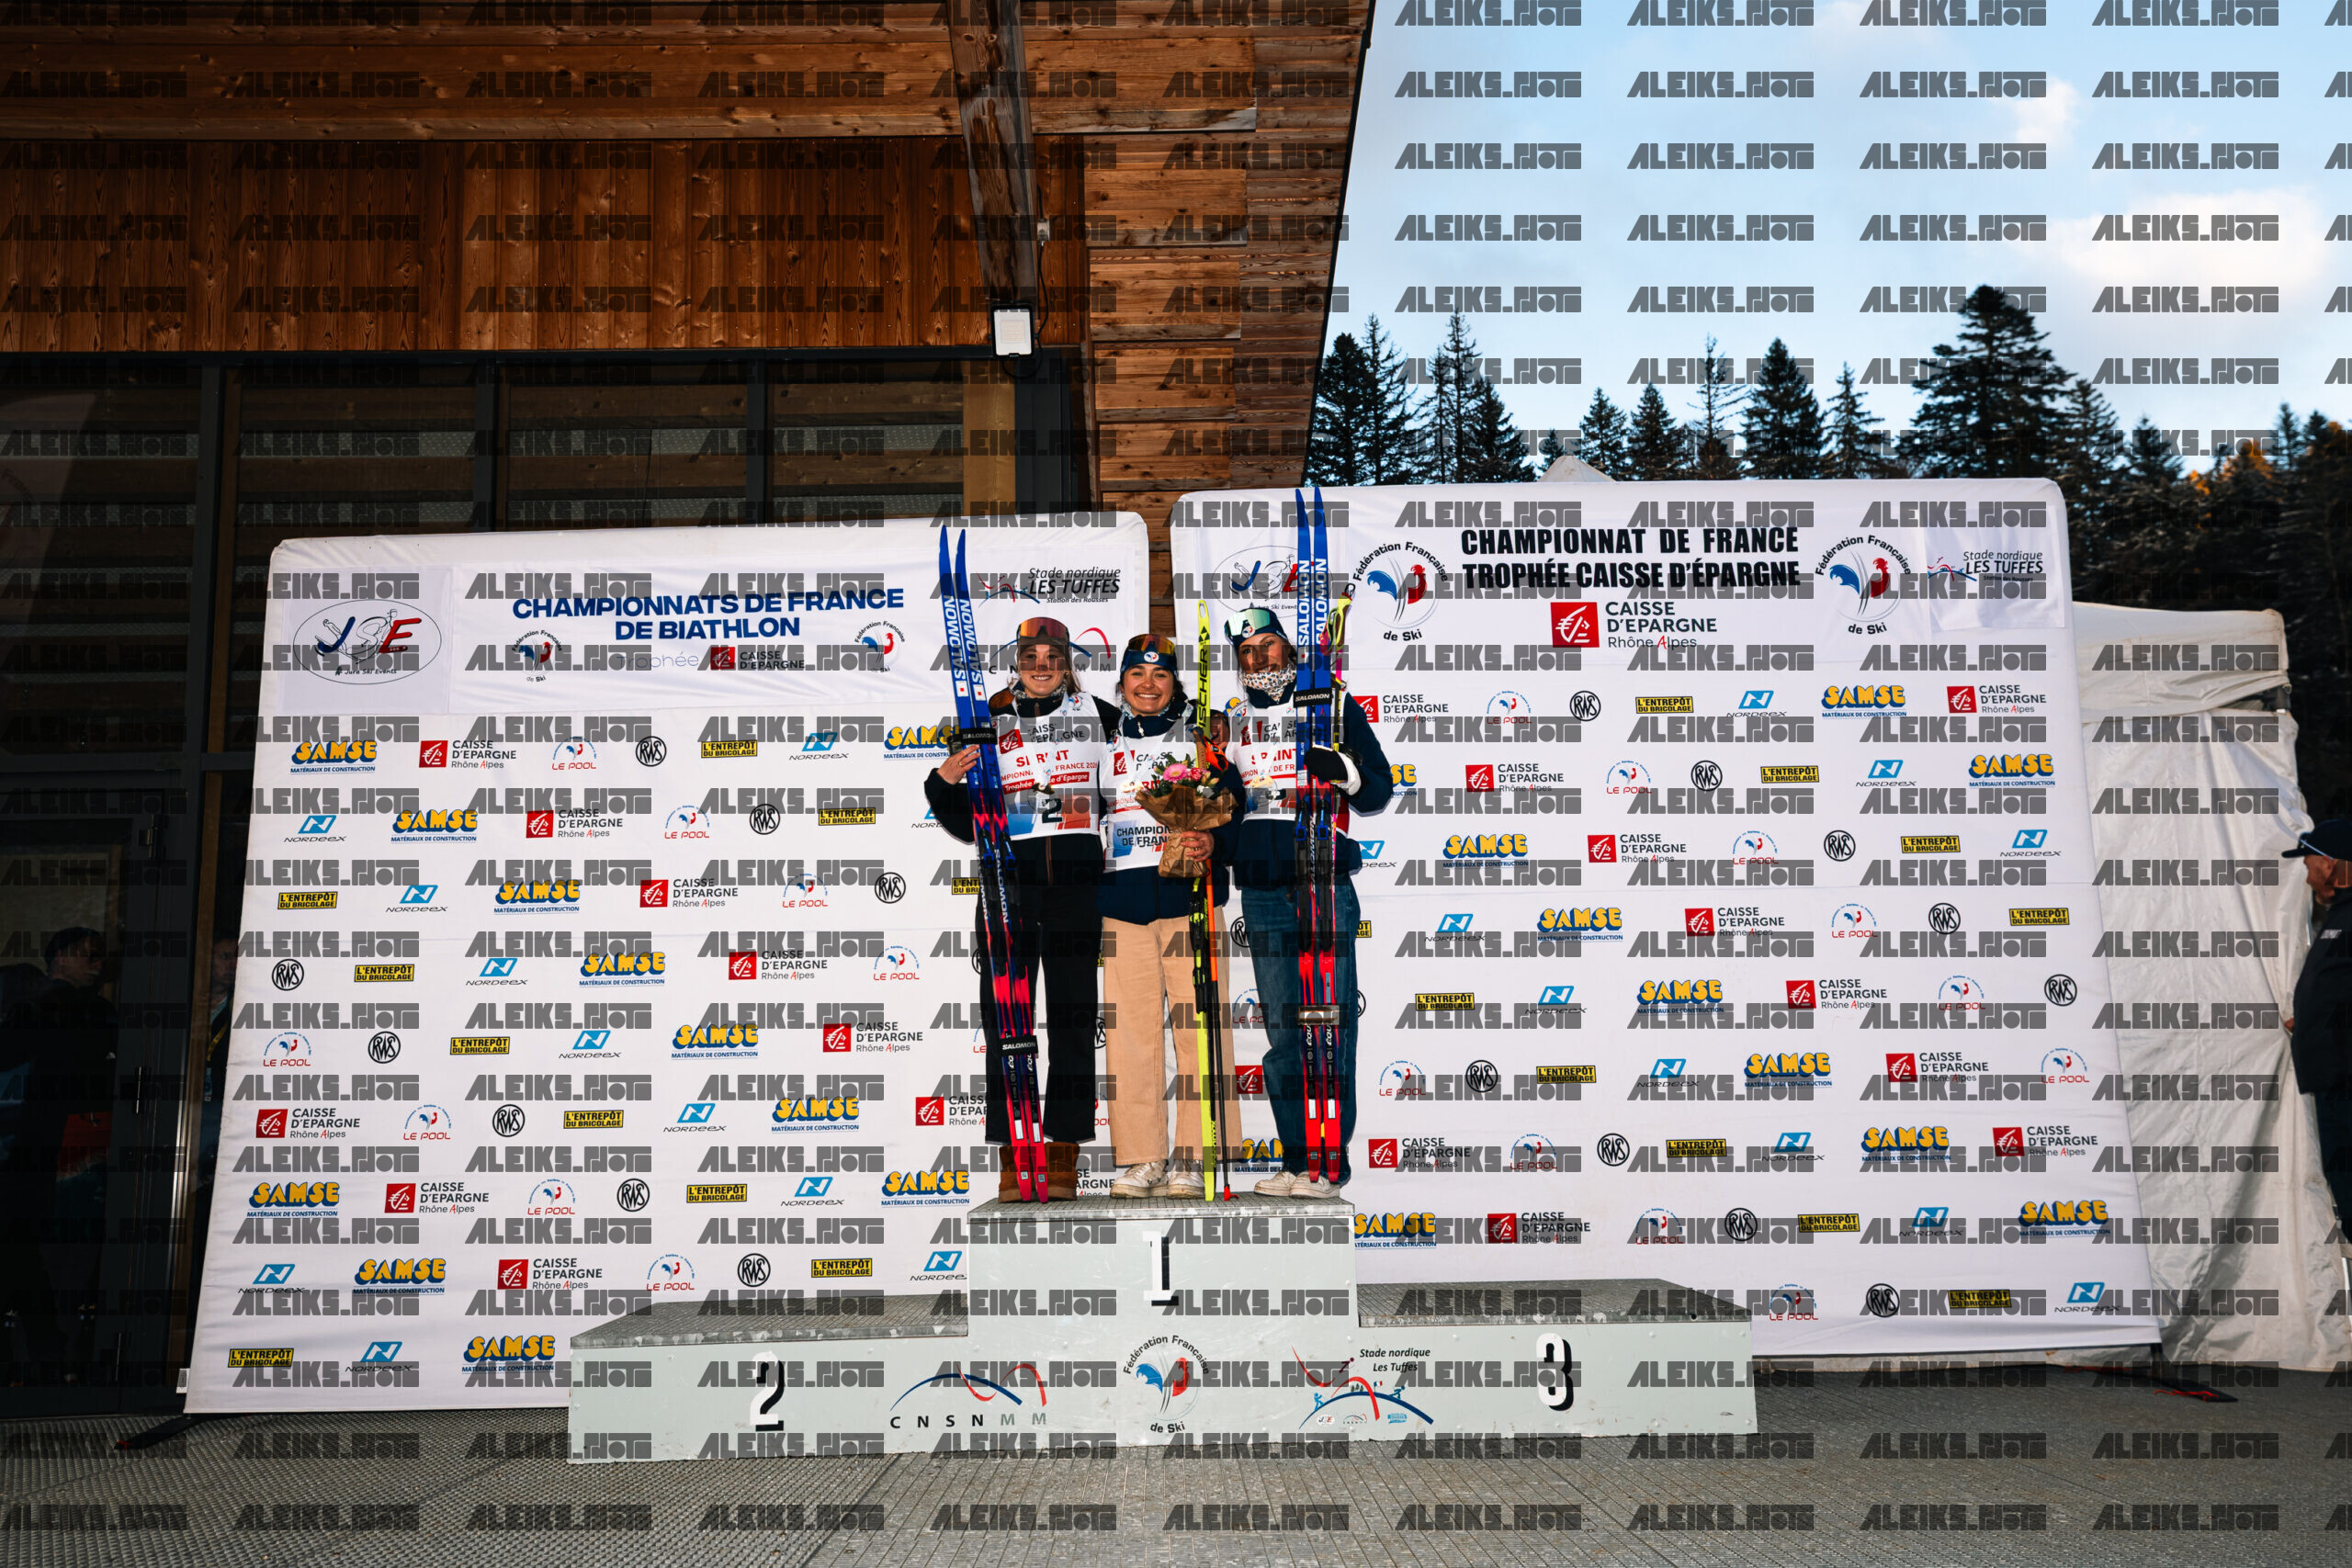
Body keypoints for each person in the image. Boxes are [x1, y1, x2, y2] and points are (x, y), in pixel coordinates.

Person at [924, 617, 1112, 1201]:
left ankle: (1064, 1148)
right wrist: (941, 783)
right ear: (1016, 664)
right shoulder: (985, 720)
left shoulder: (1102, 716)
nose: (1041, 667)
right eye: (1030, 657)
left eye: (1052, 657)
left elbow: (1130, 788)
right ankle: (1013, 1149)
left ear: (1066, 663)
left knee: (1075, 1020)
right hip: (1009, 889)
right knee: (1007, 1023)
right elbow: (968, 823)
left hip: (1077, 892)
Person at [1221, 605, 1392, 1196]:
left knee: (1329, 1026)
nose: (1257, 658)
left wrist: (1346, 771)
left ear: (1290, 651)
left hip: (1323, 880)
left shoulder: (1332, 705)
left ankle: (1329, 1161)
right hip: (1263, 890)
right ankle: (1298, 1158)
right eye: (1246, 651)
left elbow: (1378, 791)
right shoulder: (1233, 719)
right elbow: (1228, 807)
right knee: (1284, 1035)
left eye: (1267, 645)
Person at [1096, 635, 1248, 1199]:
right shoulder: (1101, 738)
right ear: (1122, 684)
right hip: (1122, 903)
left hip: (1191, 899)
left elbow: (1237, 810)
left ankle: (1195, 1154)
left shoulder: (1204, 738)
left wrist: (1216, 844)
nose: (1148, 684)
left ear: (1174, 684)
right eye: (1137, 674)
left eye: (1160, 675)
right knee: (1129, 1036)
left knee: (1200, 1030)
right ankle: (1142, 1158)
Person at [2285, 819, 2352, 1216]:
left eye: (2309, 864)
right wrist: (2309, 1019)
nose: (2308, 876)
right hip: (2334, 1081)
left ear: (2328, 864)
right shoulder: (2340, 916)